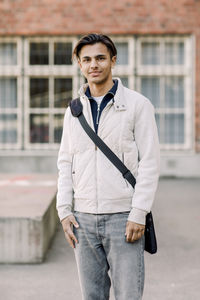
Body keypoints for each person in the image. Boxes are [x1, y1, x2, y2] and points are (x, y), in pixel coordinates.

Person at [56, 33, 160, 300]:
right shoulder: (74, 110)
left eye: (101, 58)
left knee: (128, 295)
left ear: (113, 60)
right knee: (92, 296)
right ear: (79, 64)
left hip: (123, 218)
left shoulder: (138, 105)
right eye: (87, 59)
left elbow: (149, 162)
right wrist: (64, 210)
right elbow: (66, 161)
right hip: (83, 219)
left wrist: (139, 212)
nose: (94, 65)